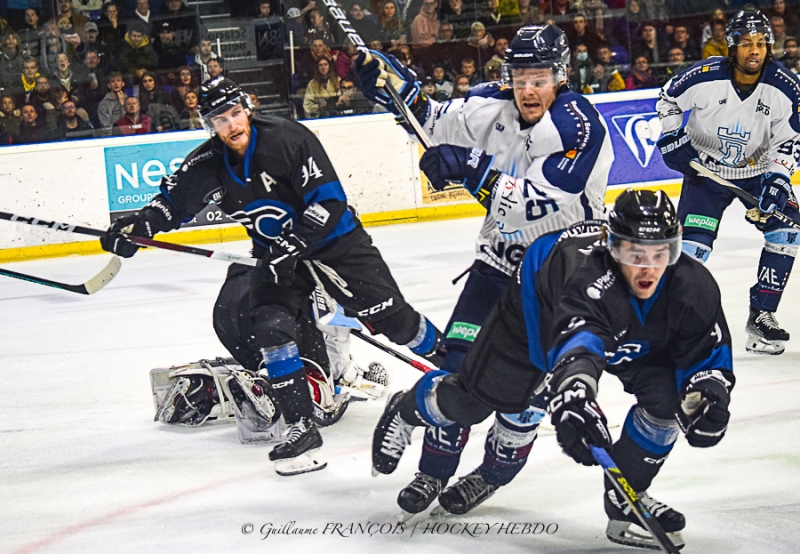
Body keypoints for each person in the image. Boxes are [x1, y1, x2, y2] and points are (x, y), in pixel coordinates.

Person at [99, 76, 444, 476]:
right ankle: (301, 428)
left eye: (234, 113)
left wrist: (295, 242)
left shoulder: (288, 139)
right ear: (209, 125)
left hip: (337, 245)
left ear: (247, 108)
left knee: (395, 321)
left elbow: (330, 200)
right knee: (270, 327)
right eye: (219, 119)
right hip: (275, 258)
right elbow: (171, 206)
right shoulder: (208, 162)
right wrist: (139, 227)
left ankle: (464, 374)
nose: (231, 125)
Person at [370, 190, 735, 550]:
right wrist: (576, 393)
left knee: (668, 402)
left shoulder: (692, 285)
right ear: (612, 247)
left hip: (625, 331)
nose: (648, 269)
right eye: (634, 254)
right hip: (537, 308)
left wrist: (708, 392)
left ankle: (628, 498)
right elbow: (580, 343)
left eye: (661, 254)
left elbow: (707, 351)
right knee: (475, 403)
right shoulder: (587, 280)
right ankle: (409, 406)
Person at [355, 24, 612, 517]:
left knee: (526, 402)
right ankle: (432, 469)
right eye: (520, 77)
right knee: (457, 372)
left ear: (560, 76)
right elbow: (428, 117)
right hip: (497, 268)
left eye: (540, 78)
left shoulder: (581, 128)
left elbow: (528, 205)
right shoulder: (491, 105)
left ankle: (490, 477)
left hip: (559, 284)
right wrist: (390, 85)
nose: (528, 89)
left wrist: (471, 167)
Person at [656, 10, 800, 355]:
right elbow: (667, 99)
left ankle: (762, 316)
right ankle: (672, 324)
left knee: (787, 233)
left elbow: (789, 139)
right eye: (748, 44)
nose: (755, 51)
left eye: (762, 44)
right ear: (732, 46)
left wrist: (778, 180)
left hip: (758, 174)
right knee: (692, 251)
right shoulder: (704, 75)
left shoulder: (785, 86)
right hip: (705, 175)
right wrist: (673, 136)